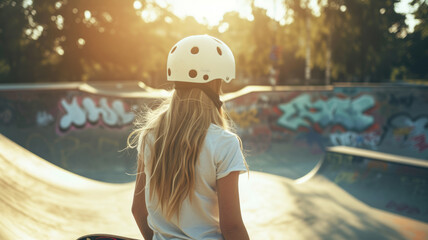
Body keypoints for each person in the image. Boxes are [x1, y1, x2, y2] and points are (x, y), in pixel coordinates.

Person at [128, 35, 250, 240]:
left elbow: (138, 211)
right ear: (215, 84)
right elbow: (232, 228)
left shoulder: (150, 137)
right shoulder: (224, 143)